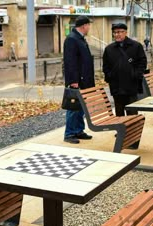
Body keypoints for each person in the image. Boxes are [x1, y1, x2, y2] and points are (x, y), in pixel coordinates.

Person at [63, 15, 95, 144]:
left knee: (81, 106)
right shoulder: (72, 39)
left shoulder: (80, 38)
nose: (89, 27)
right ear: (84, 26)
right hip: (77, 81)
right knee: (73, 107)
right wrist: (73, 81)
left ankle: (78, 130)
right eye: (88, 25)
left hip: (84, 80)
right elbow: (70, 62)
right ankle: (69, 133)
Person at [103, 23, 147, 117]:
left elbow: (142, 62)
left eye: (119, 32)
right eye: (114, 32)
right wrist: (109, 77)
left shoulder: (136, 46)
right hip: (116, 86)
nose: (117, 34)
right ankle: (121, 131)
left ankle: (132, 131)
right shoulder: (109, 49)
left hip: (131, 85)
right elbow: (105, 66)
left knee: (132, 113)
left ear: (125, 32)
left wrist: (136, 75)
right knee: (119, 113)